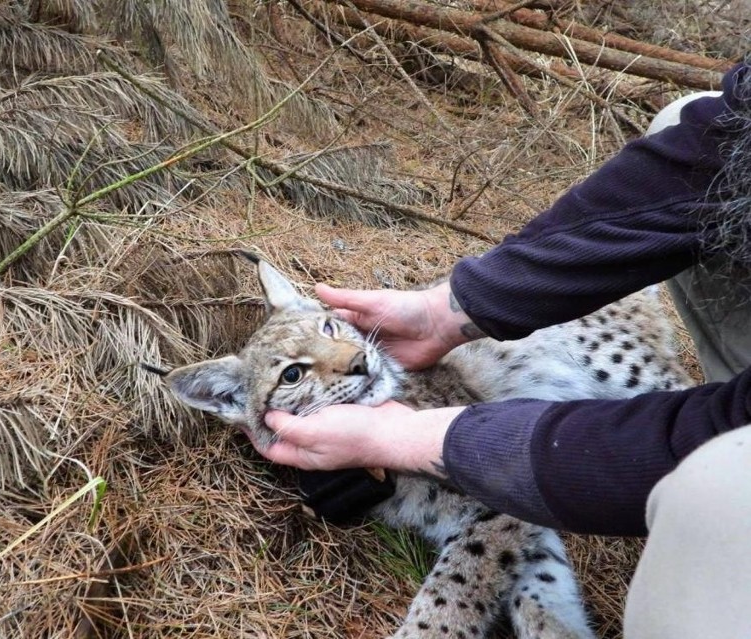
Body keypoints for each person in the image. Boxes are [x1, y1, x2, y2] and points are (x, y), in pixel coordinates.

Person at [250, 57, 751, 639]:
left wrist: (405, 440)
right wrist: (452, 309)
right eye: (295, 371)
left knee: (708, 491)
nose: (351, 359)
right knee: (690, 129)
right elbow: (709, 147)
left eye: (332, 337)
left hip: (628, 358)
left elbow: (507, 510)